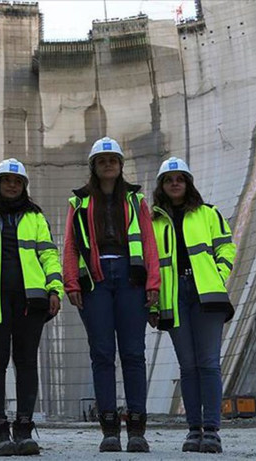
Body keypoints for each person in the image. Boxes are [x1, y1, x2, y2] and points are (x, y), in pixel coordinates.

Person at [62, 137, 160, 453]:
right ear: (94, 166)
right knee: (102, 353)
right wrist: (72, 283)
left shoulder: (135, 199)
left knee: (133, 353)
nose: (108, 164)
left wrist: (153, 283)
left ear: (120, 166)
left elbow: (148, 242)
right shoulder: (79, 201)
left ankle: (136, 430)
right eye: (102, 160)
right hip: (95, 280)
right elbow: (70, 245)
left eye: (113, 160)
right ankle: (109, 430)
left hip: (131, 278)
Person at [0, 158, 63, 456]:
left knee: (27, 362)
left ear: (23, 187)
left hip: (30, 301)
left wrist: (54, 288)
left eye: (17, 181)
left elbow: (48, 255)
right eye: (6, 180)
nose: (11, 185)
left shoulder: (35, 218)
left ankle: (23, 428)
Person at [148, 157, 236, 454]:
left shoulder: (208, 213)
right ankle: (192, 430)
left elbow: (226, 245)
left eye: (180, 178)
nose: (175, 183)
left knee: (208, 363)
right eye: (169, 179)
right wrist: (153, 303)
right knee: (188, 366)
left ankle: (211, 430)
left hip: (206, 294)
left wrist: (219, 273)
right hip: (174, 298)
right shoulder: (152, 223)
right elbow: (150, 265)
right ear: (161, 185)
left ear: (188, 183)